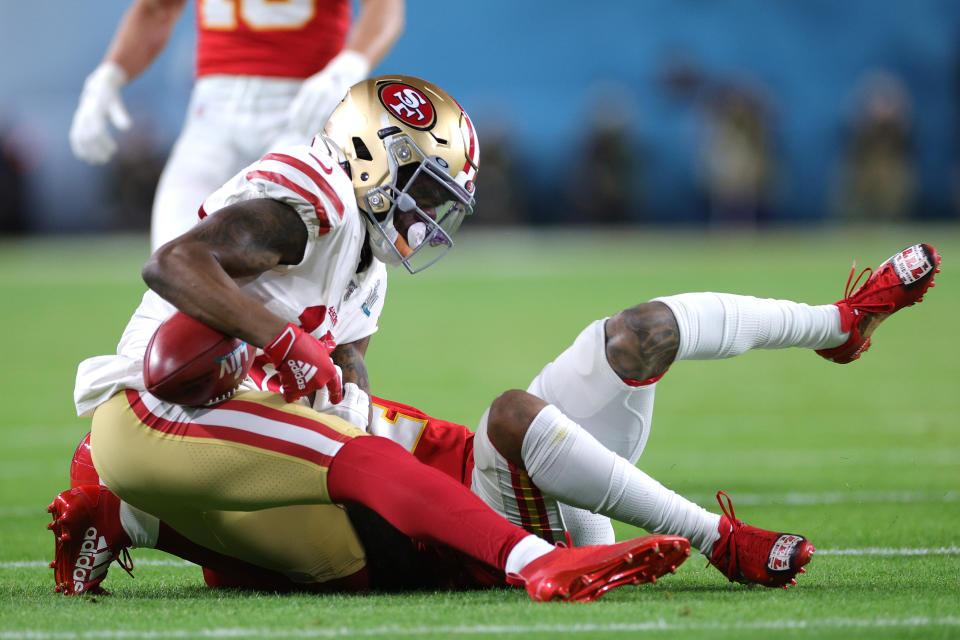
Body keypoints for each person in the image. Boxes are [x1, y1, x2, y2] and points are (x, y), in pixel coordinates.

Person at [54, 74, 688, 603]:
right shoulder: (315, 196)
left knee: (343, 560)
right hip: (164, 398)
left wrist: (349, 409)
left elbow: (347, 379)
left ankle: (123, 515)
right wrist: (282, 343)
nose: (425, 219)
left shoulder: (367, 268)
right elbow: (173, 264)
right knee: (366, 465)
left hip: (225, 423)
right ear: (372, 157)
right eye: (422, 193)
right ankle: (536, 563)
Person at [55, 239, 940, 594]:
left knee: (642, 334)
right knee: (516, 413)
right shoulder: (231, 425)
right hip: (468, 524)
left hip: (500, 469)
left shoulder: (301, 334)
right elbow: (257, 530)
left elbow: (338, 390)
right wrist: (121, 507)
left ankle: (841, 323)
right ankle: (720, 540)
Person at [70, 0, 405, 249]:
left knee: (279, 278)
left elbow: (384, 7)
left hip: (301, 108)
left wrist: (350, 62)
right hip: (213, 114)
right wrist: (109, 74)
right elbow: (158, 7)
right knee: (173, 264)